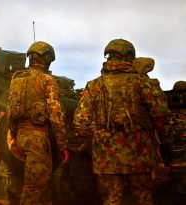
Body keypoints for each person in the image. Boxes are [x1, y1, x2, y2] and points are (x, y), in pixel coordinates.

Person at [73, 39, 171, 205]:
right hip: (139, 154)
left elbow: (79, 122)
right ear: (129, 57)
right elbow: (160, 116)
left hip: (105, 158)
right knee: (143, 198)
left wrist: (94, 143)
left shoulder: (94, 85)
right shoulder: (141, 82)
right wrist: (166, 144)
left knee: (111, 200)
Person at [7, 41, 69, 205]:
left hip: (21, 138)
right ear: (47, 59)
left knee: (43, 186)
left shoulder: (16, 80)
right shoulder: (47, 80)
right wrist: (63, 146)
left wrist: (14, 136)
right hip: (38, 140)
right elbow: (56, 117)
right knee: (34, 190)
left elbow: (11, 113)